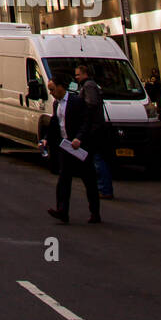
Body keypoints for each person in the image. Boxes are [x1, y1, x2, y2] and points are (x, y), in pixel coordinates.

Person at [44, 76, 101, 225]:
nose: (51, 93)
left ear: (61, 87)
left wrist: (79, 138)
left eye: (52, 89)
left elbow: (85, 121)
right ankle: (62, 211)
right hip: (66, 147)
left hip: (79, 147)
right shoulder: (57, 104)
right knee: (63, 179)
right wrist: (46, 139)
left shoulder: (76, 102)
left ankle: (95, 212)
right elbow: (55, 123)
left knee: (89, 180)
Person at [75, 61, 113, 200]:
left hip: (95, 129)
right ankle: (102, 187)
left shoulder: (89, 85)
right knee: (96, 158)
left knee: (98, 159)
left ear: (85, 74)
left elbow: (91, 103)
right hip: (95, 127)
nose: (76, 77)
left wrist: (81, 109)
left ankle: (104, 189)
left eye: (78, 75)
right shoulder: (88, 85)